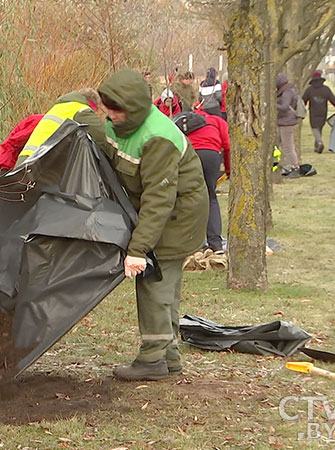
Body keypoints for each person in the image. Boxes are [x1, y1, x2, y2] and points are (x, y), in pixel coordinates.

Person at [97, 70, 208, 381]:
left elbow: (159, 200)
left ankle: (152, 361)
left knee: (155, 283)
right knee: (163, 286)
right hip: (164, 213)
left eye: (115, 108)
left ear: (132, 107)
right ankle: (169, 359)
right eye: (107, 107)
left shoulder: (157, 137)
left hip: (177, 217)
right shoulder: (119, 124)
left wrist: (138, 249)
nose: (110, 115)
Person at [13, 88, 106, 167]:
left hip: (24, 161)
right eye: (94, 110)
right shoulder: (80, 109)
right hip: (39, 161)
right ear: (90, 104)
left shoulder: (58, 108)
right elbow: (102, 135)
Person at [180, 109, 230, 253]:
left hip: (189, 154)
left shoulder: (185, 120)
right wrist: (228, 169)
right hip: (211, 154)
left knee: (191, 197)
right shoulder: (218, 121)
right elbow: (227, 145)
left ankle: (195, 242)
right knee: (210, 197)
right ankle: (215, 242)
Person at [302, 70, 335, 153]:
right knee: (320, 128)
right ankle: (317, 147)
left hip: (313, 112)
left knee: (315, 128)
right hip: (323, 111)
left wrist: (299, 110)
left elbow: (303, 101)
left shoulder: (309, 90)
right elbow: (334, 101)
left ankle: (319, 142)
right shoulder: (326, 89)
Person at [275, 72, 300, 173]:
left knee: (288, 146)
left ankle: (294, 166)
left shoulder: (287, 92)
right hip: (284, 121)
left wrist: (272, 103)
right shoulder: (286, 91)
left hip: (287, 122)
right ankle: (285, 164)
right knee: (281, 145)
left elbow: (285, 107)